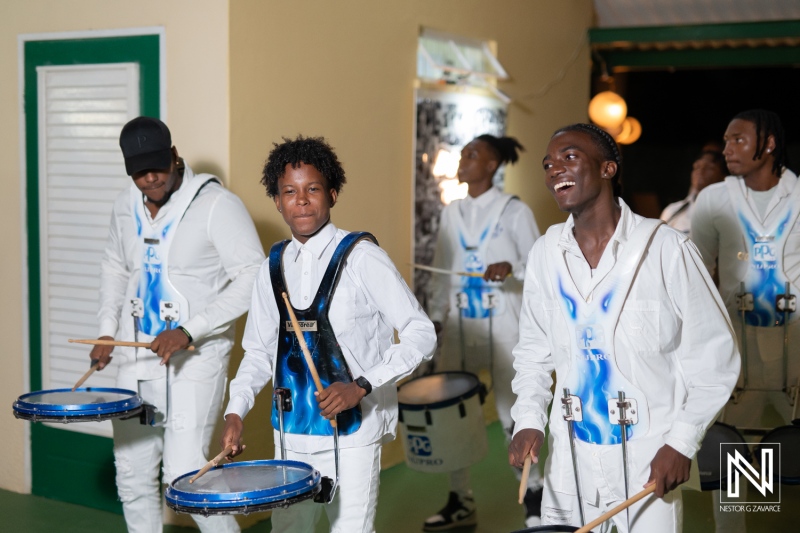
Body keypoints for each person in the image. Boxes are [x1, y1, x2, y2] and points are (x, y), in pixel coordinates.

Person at [508, 123, 739, 532]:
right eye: (548, 164)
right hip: (571, 459)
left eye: (569, 157)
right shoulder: (546, 253)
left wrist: (681, 443)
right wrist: (528, 417)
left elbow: (715, 356)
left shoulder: (665, 248)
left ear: (608, 168)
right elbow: (533, 350)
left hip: (649, 456)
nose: (554, 169)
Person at [221, 136, 436, 533]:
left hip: (354, 432)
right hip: (290, 432)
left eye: (312, 189)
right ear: (277, 201)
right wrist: (236, 409)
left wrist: (361, 385)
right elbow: (258, 352)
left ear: (332, 194)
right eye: (290, 191)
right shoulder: (273, 266)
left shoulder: (362, 257)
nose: (301, 201)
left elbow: (421, 332)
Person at [91, 116, 265, 533]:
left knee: (187, 477)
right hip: (137, 357)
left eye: (157, 167)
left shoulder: (217, 204)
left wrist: (189, 329)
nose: (150, 179)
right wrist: (106, 329)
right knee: (132, 475)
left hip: (195, 356)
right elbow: (115, 267)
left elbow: (254, 276)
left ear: (174, 154)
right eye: (139, 172)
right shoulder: (124, 205)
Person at [425, 134, 543, 531]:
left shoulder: (514, 210)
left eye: (473, 154)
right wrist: (434, 318)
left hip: (505, 325)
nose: (464, 160)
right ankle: (460, 501)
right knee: (454, 417)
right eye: (463, 154)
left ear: (493, 165)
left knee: (514, 415)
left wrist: (512, 268)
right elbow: (442, 266)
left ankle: (536, 500)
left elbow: (539, 268)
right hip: (460, 326)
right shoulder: (452, 212)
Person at [692, 109, 800, 428]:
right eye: (726, 141)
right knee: (731, 448)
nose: (727, 150)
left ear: (768, 144)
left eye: (738, 140)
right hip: (738, 346)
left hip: (795, 342)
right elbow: (697, 272)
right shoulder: (713, 198)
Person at [659, 150, 727, 234]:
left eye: (709, 167)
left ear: (724, 176)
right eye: (697, 167)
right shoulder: (672, 210)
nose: (701, 170)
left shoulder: (730, 211)